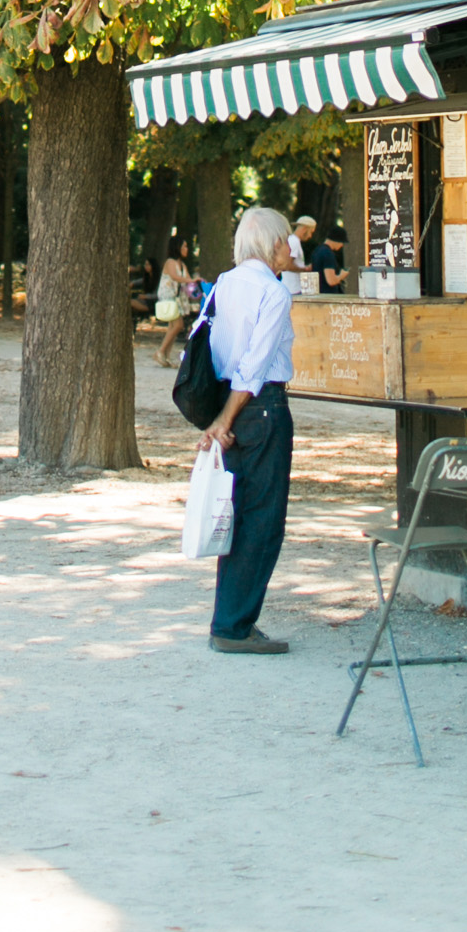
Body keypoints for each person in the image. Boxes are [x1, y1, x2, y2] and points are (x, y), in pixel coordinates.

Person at [198, 208, 295, 654]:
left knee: (235, 517)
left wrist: (217, 417)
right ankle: (234, 626)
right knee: (263, 519)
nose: (289, 248)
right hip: (261, 408)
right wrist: (226, 418)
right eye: (286, 240)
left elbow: (208, 352)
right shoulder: (273, 292)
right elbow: (254, 367)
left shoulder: (222, 284)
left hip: (228, 407)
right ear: (272, 244)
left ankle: (229, 619)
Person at [154, 235, 194, 367]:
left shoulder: (182, 265)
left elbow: (187, 279)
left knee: (173, 326)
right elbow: (175, 277)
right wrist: (191, 281)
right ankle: (160, 351)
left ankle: (165, 355)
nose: (186, 249)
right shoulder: (170, 263)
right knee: (178, 325)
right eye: (184, 246)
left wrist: (195, 283)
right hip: (169, 297)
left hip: (176, 299)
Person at [281, 214, 316, 295]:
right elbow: (287, 265)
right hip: (293, 289)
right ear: (304, 229)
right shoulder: (294, 242)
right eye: (311, 232)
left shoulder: (292, 240)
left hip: (291, 288)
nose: (310, 236)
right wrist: (304, 270)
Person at [312, 224, 349, 294]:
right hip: (328, 295)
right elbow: (331, 281)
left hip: (318, 293)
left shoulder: (317, 250)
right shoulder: (328, 254)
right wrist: (342, 276)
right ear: (337, 240)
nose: (342, 245)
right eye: (342, 242)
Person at [130, 256, 161, 322]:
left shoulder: (158, 279)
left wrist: (145, 296)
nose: (146, 266)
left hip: (153, 303)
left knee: (131, 302)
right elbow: (140, 281)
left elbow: (157, 294)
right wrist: (132, 283)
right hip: (146, 301)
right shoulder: (147, 277)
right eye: (145, 264)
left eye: (148, 264)